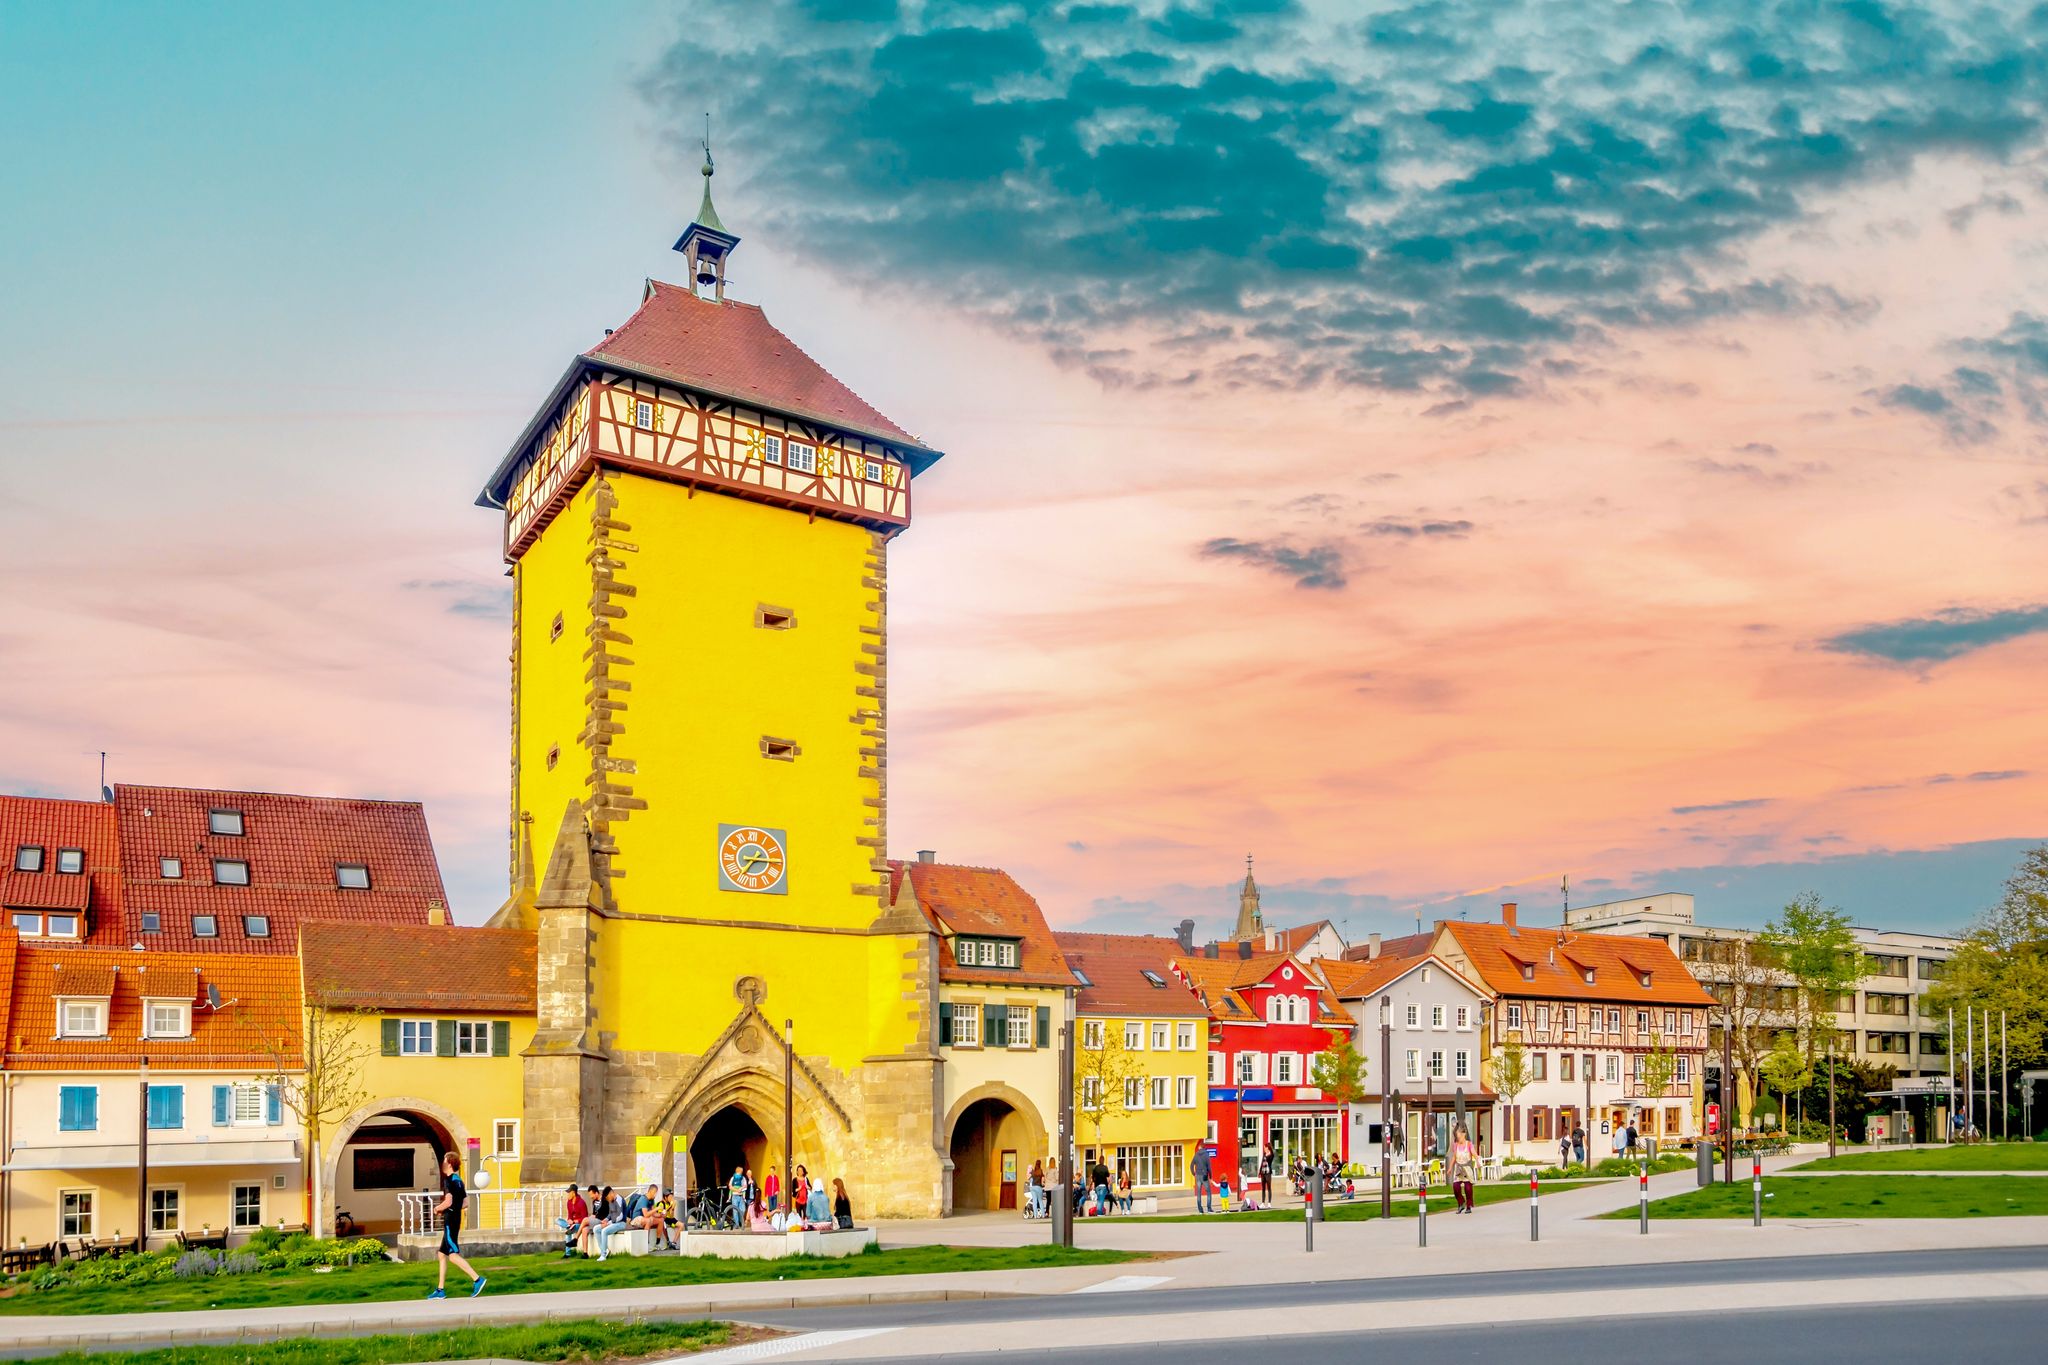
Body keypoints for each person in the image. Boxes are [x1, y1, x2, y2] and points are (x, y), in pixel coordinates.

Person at [427, 1151, 485, 1299]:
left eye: (445, 1161)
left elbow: (449, 1201)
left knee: (452, 1256)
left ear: (450, 1164)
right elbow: (465, 1203)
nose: (443, 1163)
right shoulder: (459, 1180)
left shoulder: (449, 1181)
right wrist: (451, 1208)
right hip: (455, 1218)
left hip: (450, 1222)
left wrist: (437, 1208)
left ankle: (477, 1279)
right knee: (442, 1254)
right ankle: (440, 1290)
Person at [1449, 1123, 1477, 1214]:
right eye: (1457, 1135)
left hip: (1467, 1169)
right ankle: (1461, 1203)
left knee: (1468, 1188)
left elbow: (1474, 1154)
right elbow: (1454, 1157)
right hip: (1458, 1169)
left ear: (1464, 1134)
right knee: (1456, 1187)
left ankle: (1468, 1206)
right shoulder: (1456, 1145)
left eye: (1459, 1135)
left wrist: (1478, 1160)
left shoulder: (1469, 1144)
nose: (1458, 1137)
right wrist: (1450, 1168)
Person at [557, 1183, 588, 1258]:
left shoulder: (581, 1203)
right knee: (557, 1220)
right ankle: (568, 1226)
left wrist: (574, 1222)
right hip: (572, 1224)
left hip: (579, 1225)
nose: (567, 1195)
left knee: (569, 1230)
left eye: (569, 1193)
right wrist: (569, 1220)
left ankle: (567, 1254)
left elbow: (585, 1218)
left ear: (573, 1193)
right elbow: (569, 1216)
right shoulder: (569, 1202)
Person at [1191, 1145, 1214, 1215]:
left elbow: (1191, 1165)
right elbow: (1209, 1167)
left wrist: (1193, 1173)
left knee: (1198, 1193)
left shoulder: (1196, 1155)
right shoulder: (1206, 1155)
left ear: (1199, 1148)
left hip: (1198, 1175)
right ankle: (1209, 1208)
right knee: (1208, 1192)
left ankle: (1200, 1210)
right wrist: (1210, 1176)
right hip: (1204, 1175)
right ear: (1204, 1147)